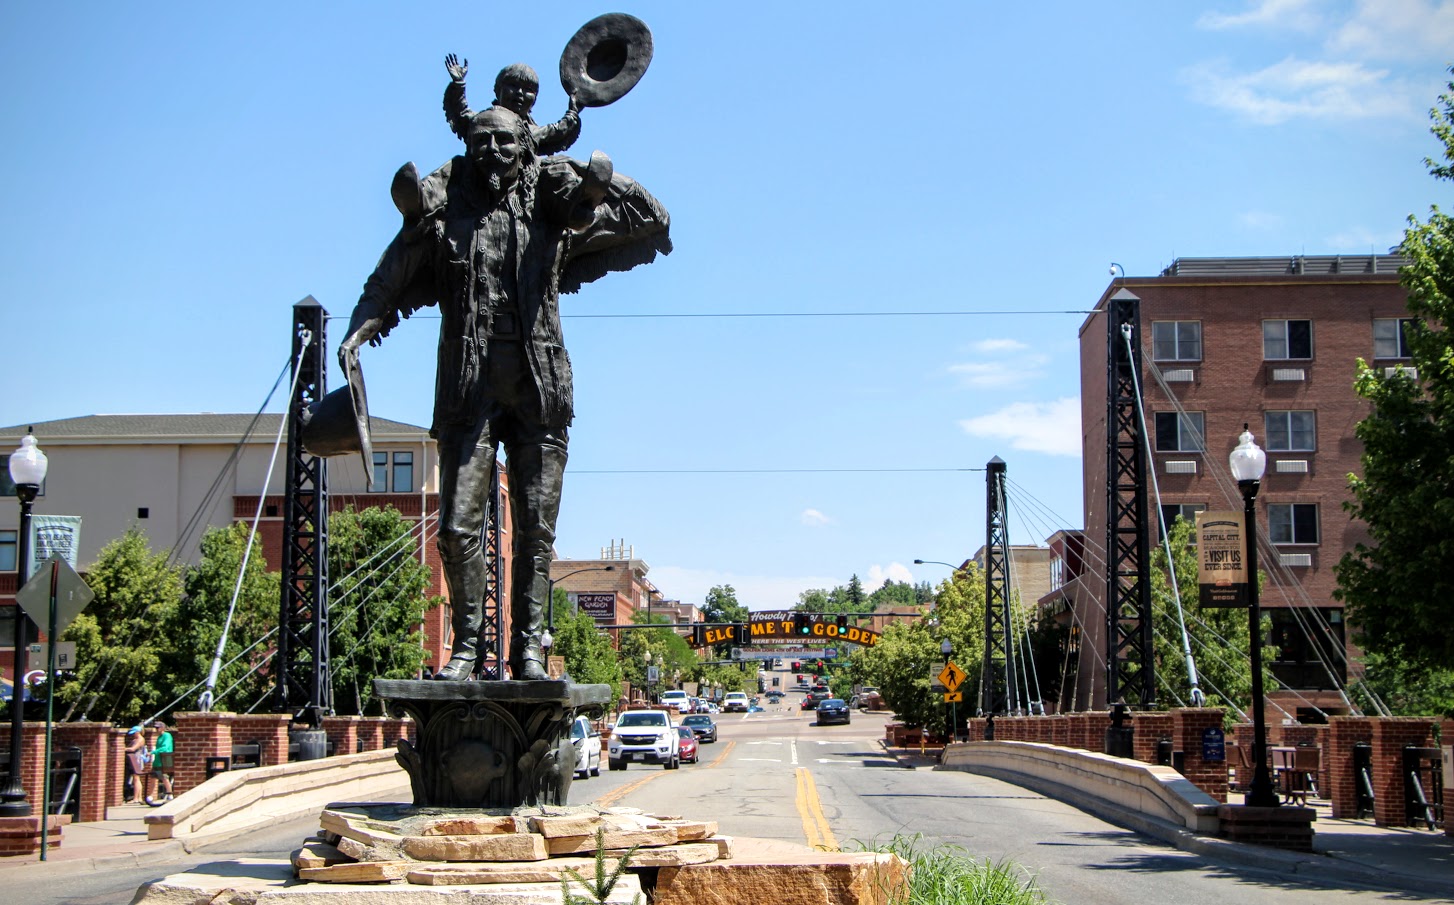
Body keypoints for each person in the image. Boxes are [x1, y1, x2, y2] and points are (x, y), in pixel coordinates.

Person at [340, 102, 669, 682]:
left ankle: (529, 651)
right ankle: (466, 650)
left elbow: (652, 218)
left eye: (505, 143)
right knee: (456, 527)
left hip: (539, 393)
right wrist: (356, 335)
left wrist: (588, 178)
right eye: (481, 143)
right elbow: (386, 279)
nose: (491, 152)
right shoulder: (444, 223)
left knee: (536, 532)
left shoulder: (554, 218)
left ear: (525, 150)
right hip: (469, 393)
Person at [444, 55, 581, 156]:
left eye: (528, 89)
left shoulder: (530, 132)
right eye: (513, 86)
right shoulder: (483, 121)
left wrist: (573, 111)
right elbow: (461, 112)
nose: (519, 93)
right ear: (498, 90)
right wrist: (458, 84)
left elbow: (557, 131)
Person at [149, 720, 174, 802]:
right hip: (157, 760)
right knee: (153, 777)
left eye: (158, 728)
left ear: (162, 728)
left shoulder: (167, 735)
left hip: (164, 760)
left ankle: (170, 794)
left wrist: (153, 752)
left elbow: (165, 747)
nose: (156, 729)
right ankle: (151, 796)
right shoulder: (159, 737)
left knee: (164, 777)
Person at [123, 724, 147, 803]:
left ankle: (136, 798)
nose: (133, 734)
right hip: (133, 760)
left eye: (134, 733)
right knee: (136, 779)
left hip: (137, 760)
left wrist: (123, 748)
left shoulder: (140, 739)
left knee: (136, 778)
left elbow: (133, 749)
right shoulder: (134, 740)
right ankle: (139, 798)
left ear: (138, 732)